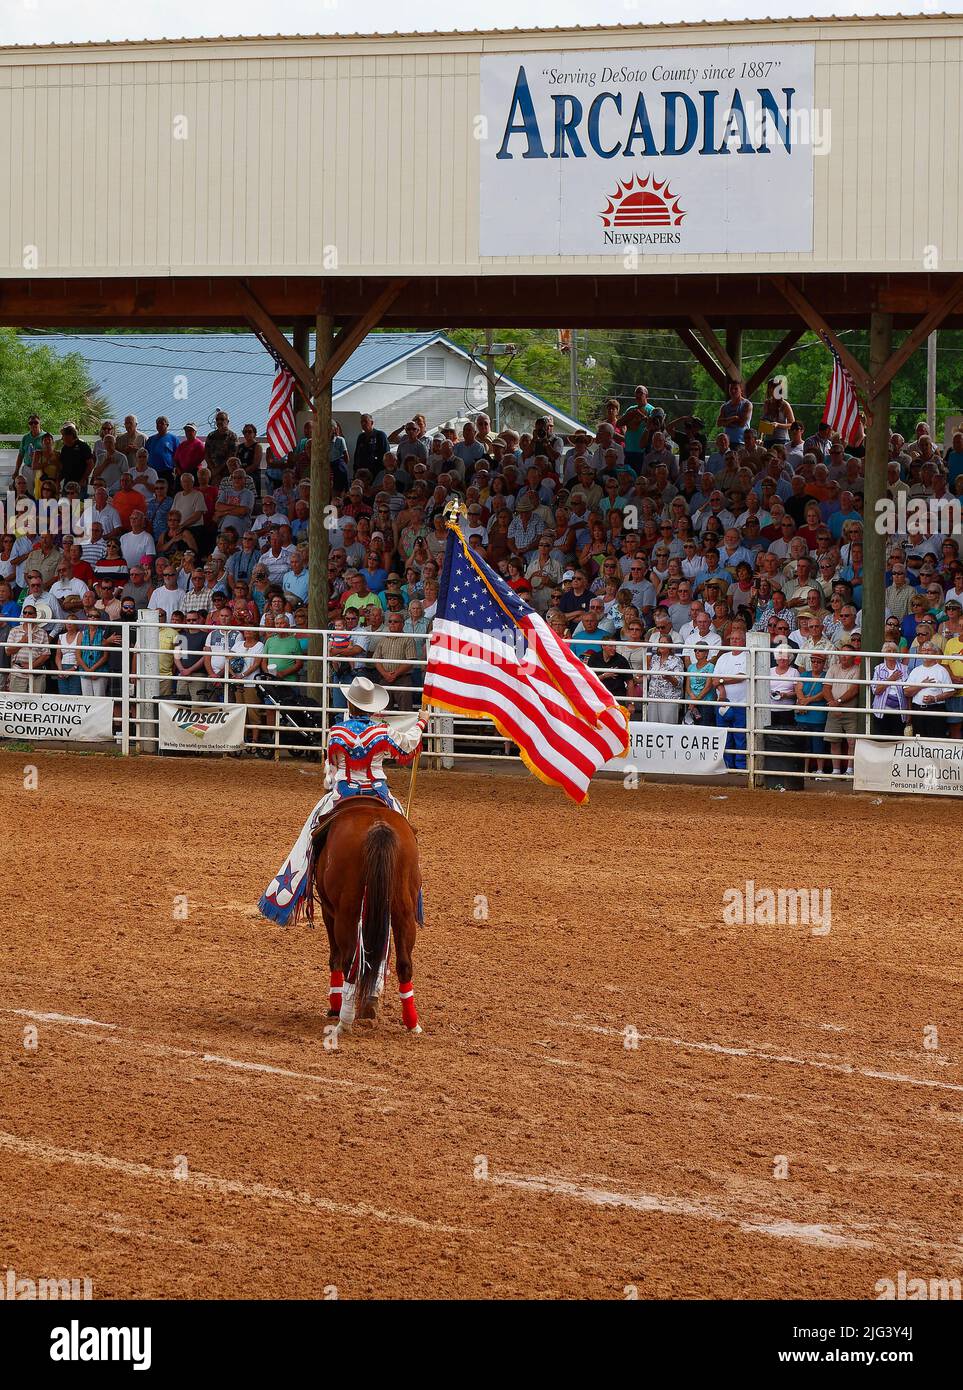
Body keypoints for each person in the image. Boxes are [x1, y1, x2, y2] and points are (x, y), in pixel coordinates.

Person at [870, 644, 909, 738]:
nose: (892, 653)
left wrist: (909, 713)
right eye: (889, 651)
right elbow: (876, 690)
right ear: (883, 653)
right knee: (882, 741)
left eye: (894, 651)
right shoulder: (878, 669)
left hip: (899, 712)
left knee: (897, 740)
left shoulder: (904, 668)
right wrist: (891, 679)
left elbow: (908, 692)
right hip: (881, 712)